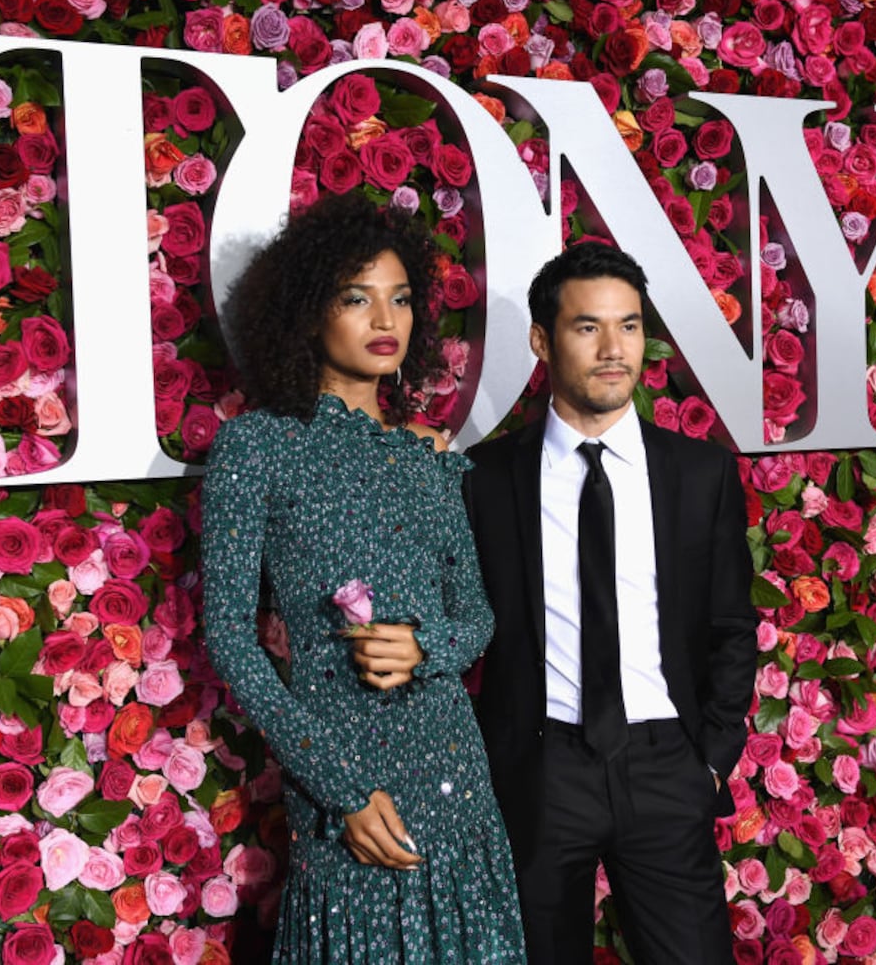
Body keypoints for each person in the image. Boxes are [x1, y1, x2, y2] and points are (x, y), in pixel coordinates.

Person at [201, 192, 526, 963]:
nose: (386, 319)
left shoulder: (426, 458)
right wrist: (337, 787)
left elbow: (477, 616)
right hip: (344, 781)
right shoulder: (257, 449)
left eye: (401, 299)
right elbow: (230, 639)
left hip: (453, 772)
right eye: (357, 298)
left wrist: (427, 647)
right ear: (308, 312)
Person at [463, 241, 757, 964]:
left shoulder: (699, 473)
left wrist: (711, 760)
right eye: (586, 327)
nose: (612, 348)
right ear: (542, 340)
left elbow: (730, 624)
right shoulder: (483, 480)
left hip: (665, 765)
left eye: (627, 326)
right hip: (539, 769)